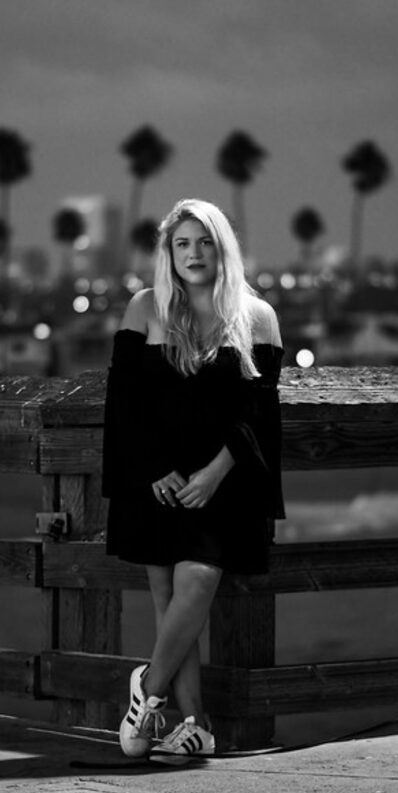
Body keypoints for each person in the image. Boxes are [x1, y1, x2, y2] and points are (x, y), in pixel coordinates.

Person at [102, 198, 285, 763]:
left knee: (199, 579)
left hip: (222, 484)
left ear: (222, 248)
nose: (193, 253)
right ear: (168, 253)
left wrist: (214, 473)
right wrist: (153, 469)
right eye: (182, 244)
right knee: (168, 600)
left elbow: (259, 414)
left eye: (204, 242)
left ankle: (146, 692)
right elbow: (125, 405)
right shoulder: (144, 309)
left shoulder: (258, 318)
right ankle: (195, 727)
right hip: (154, 480)